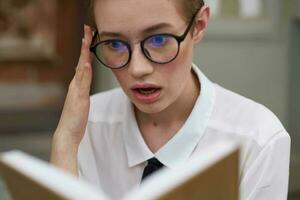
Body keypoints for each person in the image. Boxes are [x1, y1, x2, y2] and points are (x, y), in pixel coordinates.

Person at [50, 0, 291, 199]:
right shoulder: (85, 126)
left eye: (158, 40)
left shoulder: (258, 139)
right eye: (114, 44)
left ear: (198, 25)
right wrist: (65, 143)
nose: (137, 69)